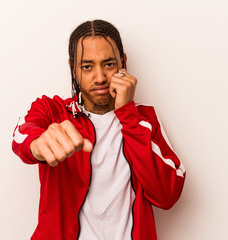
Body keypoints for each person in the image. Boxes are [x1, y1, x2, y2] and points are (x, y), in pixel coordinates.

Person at [12, 19, 186, 240]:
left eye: (109, 64)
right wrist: (37, 144)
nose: (100, 77)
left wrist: (128, 114)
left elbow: (167, 194)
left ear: (123, 62)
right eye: (87, 66)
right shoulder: (53, 111)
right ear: (73, 68)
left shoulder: (143, 119)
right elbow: (22, 133)